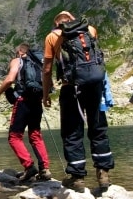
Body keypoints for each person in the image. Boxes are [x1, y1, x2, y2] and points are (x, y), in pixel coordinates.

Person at [41, 11, 114, 192]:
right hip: (95, 85)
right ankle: (103, 172)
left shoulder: (52, 37)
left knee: (72, 131)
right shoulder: (90, 30)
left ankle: (77, 177)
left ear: (57, 23)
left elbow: (47, 69)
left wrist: (45, 94)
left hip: (71, 87)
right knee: (98, 127)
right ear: (72, 19)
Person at [0, 43, 52, 182]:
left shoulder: (18, 60)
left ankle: (29, 167)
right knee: (35, 135)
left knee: (14, 137)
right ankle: (45, 169)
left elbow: (10, 79)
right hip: (36, 101)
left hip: (22, 101)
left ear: (19, 52)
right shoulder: (38, 62)